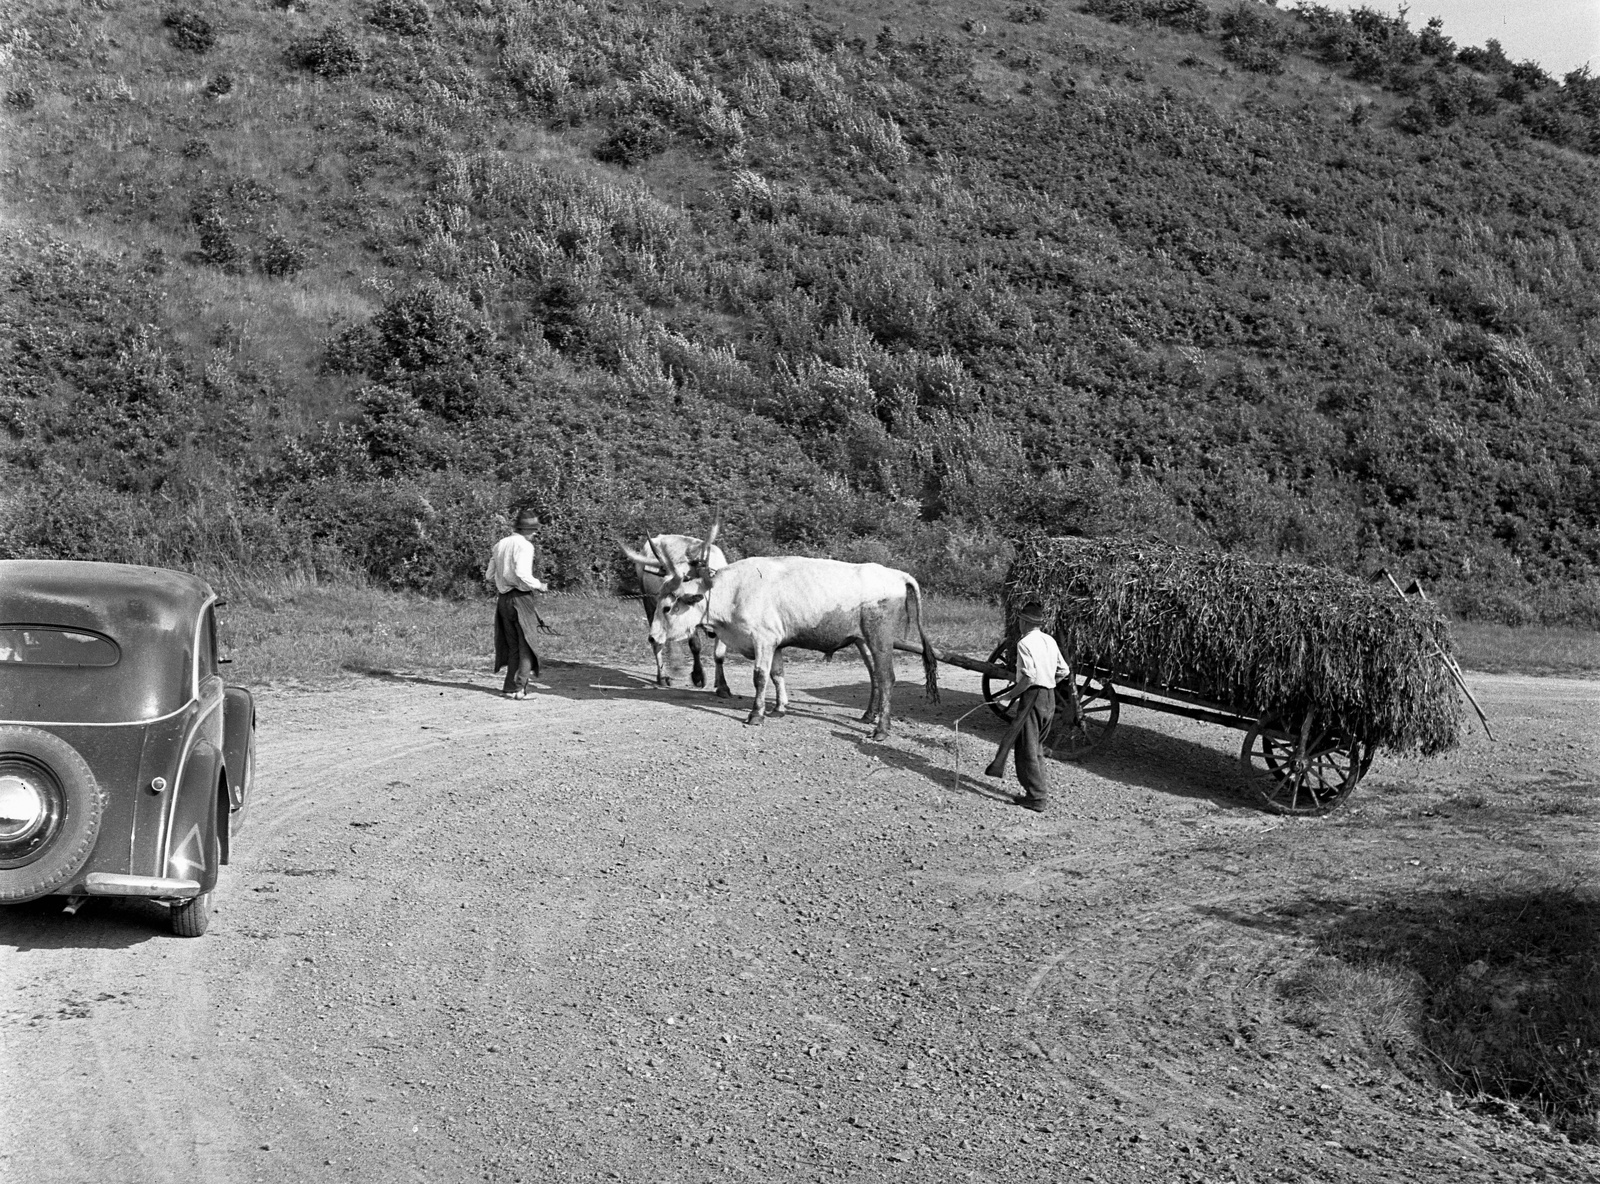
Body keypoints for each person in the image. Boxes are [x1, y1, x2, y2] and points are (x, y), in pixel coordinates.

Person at [984, 601, 1071, 812]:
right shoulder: (1049, 640)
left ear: (1023, 622)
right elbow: (1064, 671)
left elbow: (1029, 677)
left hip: (1033, 696)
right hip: (1050, 697)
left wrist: (1009, 696)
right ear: (1039, 623)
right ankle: (1038, 792)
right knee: (1037, 747)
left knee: (1027, 749)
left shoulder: (1024, 644)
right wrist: (1048, 681)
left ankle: (1036, 797)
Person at [486, 509, 549, 699]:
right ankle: (520, 689)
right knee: (528, 646)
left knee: (513, 646)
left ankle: (509, 688)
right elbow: (522, 573)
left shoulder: (500, 544)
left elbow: (489, 575)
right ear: (526, 529)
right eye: (534, 530)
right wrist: (539, 585)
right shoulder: (525, 546)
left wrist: (504, 579)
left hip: (503, 600)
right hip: (521, 599)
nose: (535, 534)